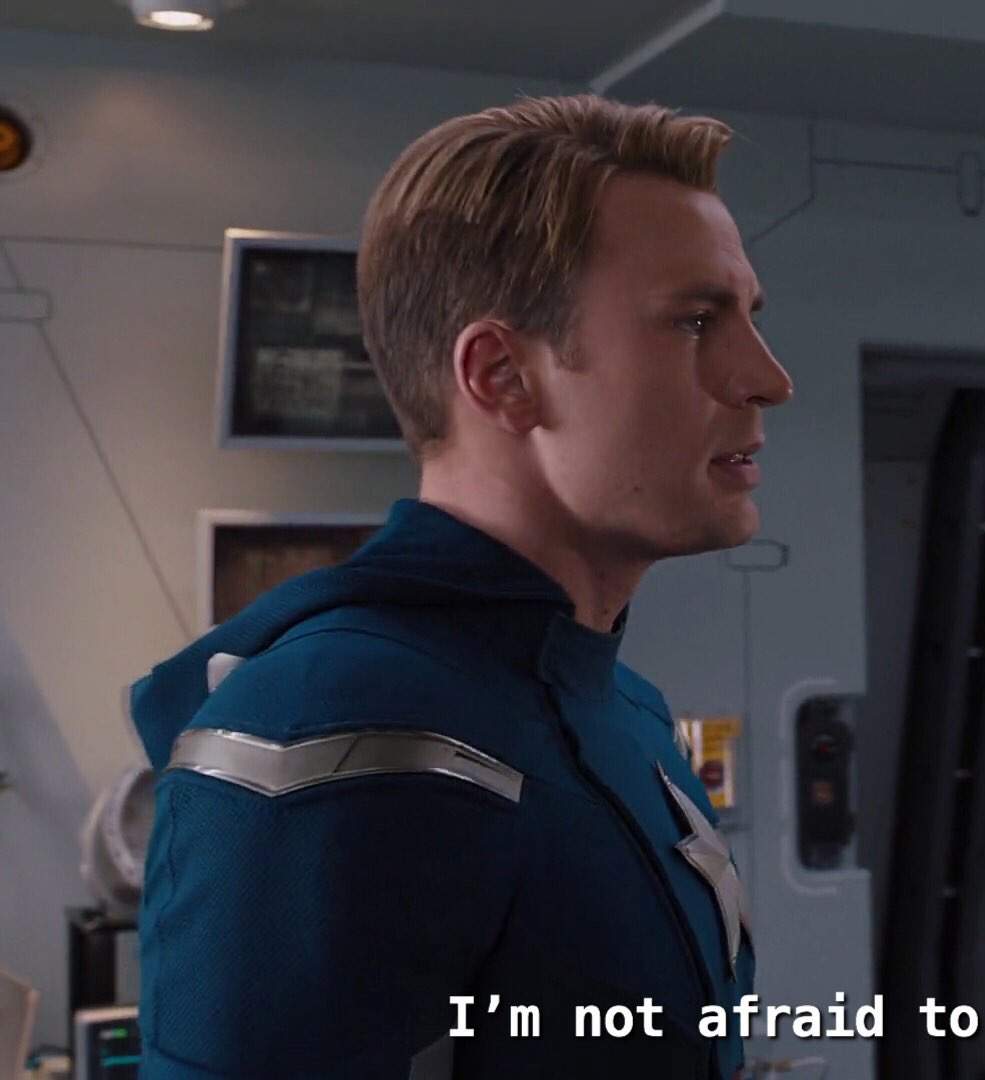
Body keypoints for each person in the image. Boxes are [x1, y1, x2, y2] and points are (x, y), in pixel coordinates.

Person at [130, 95, 792, 1078]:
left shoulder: (622, 708)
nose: (767, 377)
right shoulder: (333, 724)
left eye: (747, 318)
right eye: (696, 321)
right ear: (504, 376)